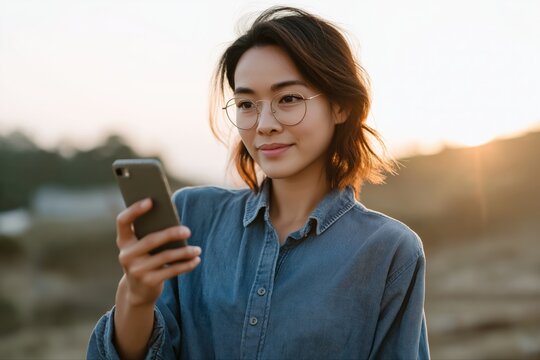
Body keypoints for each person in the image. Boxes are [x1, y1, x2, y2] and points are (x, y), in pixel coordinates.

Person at [87, 6, 429, 360]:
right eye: (247, 103)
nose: (264, 123)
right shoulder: (192, 217)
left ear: (340, 106)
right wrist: (136, 298)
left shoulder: (390, 251)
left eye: (289, 99)